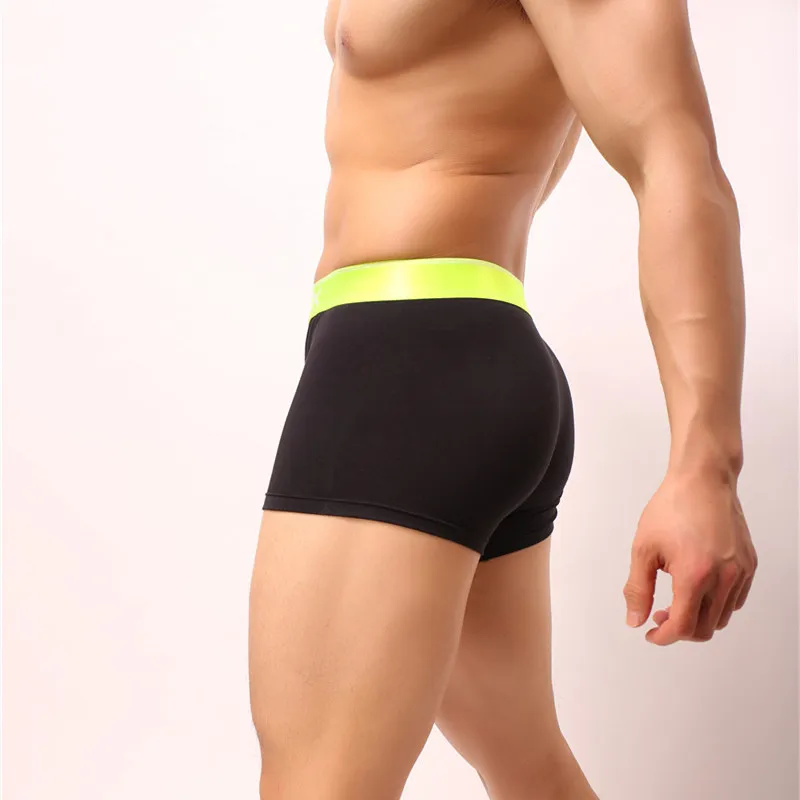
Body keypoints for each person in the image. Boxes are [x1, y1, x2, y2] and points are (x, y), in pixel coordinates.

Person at [248, 0, 758, 797]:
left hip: (410, 373)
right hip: (413, 360)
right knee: (526, 762)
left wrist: (706, 468)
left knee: (316, 783)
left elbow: (674, 159)